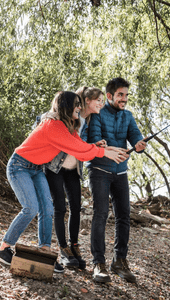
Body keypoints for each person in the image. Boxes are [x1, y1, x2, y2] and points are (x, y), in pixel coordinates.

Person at [0, 91, 125, 273]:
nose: (79, 108)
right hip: (19, 166)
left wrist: (104, 149)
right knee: (31, 208)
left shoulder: (67, 127)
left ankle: (44, 252)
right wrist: (103, 153)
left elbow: (80, 151)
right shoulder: (52, 125)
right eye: (77, 104)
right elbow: (77, 147)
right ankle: (3, 248)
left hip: (36, 169)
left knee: (47, 209)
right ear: (66, 105)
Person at [43, 87, 121, 270]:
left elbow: (79, 145)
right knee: (60, 207)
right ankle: (63, 249)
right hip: (55, 167)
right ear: (85, 101)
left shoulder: (85, 120)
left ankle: (74, 246)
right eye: (98, 100)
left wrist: (93, 145)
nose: (101, 104)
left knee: (76, 207)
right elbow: (59, 138)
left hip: (73, 169)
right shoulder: (59, 115)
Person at [87, 77, 147, 283]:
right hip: (99, 171)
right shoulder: (97, 114)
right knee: (101, 214)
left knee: (123, 216)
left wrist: (139, 145)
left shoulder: (128, 116)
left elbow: (136, 137)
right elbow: (94, 141)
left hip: (121, 173)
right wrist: (104, 148)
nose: (124, 99)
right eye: (121, 95)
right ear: (110, 95)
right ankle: (98, 264)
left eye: (126, 95)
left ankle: (119, 261)